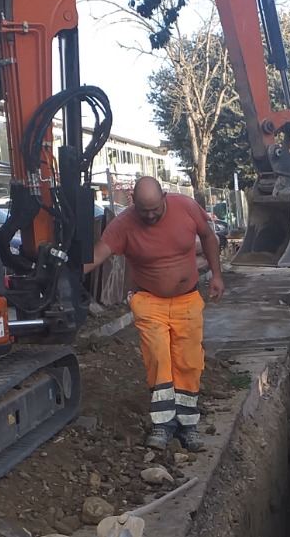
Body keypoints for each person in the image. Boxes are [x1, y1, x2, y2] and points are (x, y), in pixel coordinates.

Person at [85, 176, 225, 451]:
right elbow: (97, 255)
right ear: (133, 203)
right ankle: (162, 425)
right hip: (149, 301)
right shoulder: (123, 225)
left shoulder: (185, 206)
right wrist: (62, 276)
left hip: (187, 300)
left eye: (155, 209)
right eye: (142, 210)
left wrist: (217, 275)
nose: (149, 216)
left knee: (189, 362)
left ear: (164, 196)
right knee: (158, 358)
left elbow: (209, 236)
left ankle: (188, 425)